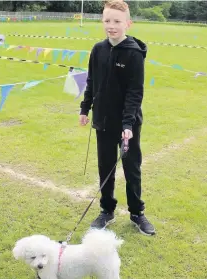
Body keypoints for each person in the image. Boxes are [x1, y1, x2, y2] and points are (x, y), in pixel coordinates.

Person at [79, 0, 155, 236]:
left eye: (116, 21)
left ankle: (137, 213)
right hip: (103, 121)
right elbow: (91, 81)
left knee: (131, 167)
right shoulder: (97, 50)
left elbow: (135, 92)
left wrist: (128, 124)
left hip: (127, 125)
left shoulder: (133, 54)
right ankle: (106, 210)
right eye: (107, 21)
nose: (111, 26)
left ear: (128, 24)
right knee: (105, 168)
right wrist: (85, 108)